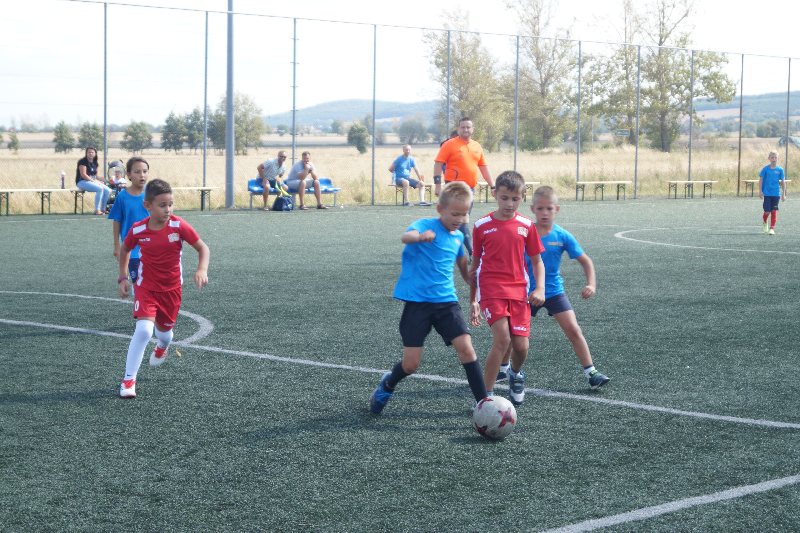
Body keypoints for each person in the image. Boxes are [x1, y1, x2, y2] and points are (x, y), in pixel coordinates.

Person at [369, 181, 489, 414]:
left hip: (447, 304)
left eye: (464, 214)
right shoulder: (425, 226)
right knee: (411, 364)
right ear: (440, 209)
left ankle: (483, 402)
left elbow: (463, 265)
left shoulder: (457, 238)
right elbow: (406, 236)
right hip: (418, 305)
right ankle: (388, 383)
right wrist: (420, 238)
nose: (460, 219)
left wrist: (472, 282)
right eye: (455, 213)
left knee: (467, 349)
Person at [496, 185, 610, 390]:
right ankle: (503, 369)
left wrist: (591, 284)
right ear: (532, 209)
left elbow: (586, 261)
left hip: (554, 291)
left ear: (556, 209)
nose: (545, 213)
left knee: (574, 330)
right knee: (514, 335)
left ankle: (591, 372)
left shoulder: (562, 235)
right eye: (540, 208)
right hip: (525, 293)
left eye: (549, 208)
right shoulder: (523, 232)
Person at [117, 178, 210, 399]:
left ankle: (162, 346)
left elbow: (203, 248)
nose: (168, 209)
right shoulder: (139, 229)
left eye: (170, 204)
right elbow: (125, 250)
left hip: (171, 290)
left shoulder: (178, 226)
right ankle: (129, 379)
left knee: (165, 334)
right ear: (148, 206)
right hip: (146, 287)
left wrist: (202, 269)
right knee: (143, 330)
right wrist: (122, 277)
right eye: (162, 205)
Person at [469, 171, 545, 406]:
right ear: (495, 194)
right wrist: (473, 300)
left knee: (521, 346)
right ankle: (485, 396)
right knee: (502, 339)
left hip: (519, 291)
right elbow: (475, 266)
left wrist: (540, 288)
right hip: (491, 289)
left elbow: (537, 261)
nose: (510, 204)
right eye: (504, 198)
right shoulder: (481, 226)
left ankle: (515, 373)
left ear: (522, 197)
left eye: (515, 199)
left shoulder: (526, 225)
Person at [433, 118, 495, 255]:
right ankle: (473, 252)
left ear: (472, 129)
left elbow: (484, 168)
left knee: (458, 222)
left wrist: (492, 186)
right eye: (463, 127)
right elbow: (438, 164)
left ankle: (453, 250)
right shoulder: (449, 144)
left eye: (468, 127)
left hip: (470, 190)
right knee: (461, 221)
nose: (466, 129)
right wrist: (437, 185)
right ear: (458, 129)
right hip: (453, 189)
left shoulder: (477, 146)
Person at [108, 157, 150, 291]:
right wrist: (117, 246)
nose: (142, 175)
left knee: (152, 284)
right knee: (138, 286)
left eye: (145, 171)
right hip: (132, 251)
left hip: (151, 248)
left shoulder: (152, 195)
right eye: (137, 172)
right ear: (129, 175)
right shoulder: (122, 197)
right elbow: (117, 220)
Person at [75, 146, 112, 215]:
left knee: (108, 190)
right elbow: (83, 175)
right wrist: (94, 181)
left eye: (92, 152)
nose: (90, 153)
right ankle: (97, 210)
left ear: (95, 153)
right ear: (86, 153)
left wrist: (107, 180)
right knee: (100, 189)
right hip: (81, 182)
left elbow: (96, 176)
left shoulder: (95, 163)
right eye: (89, 152)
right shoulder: (82, 161)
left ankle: (103, 209)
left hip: (91, 181)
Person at [758, 151, 787, 235]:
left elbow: (783, 182)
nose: (774, 159)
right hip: (767, 194)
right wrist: (760, 191)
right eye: (772, 157)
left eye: (775, 157)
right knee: (767, 212)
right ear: (769, 158)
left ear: (777, 158)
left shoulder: (780, 170)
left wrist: (783, 194)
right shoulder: (765, 169)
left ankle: (772, 228)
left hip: (776, 194)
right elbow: (761, 180)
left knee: (774, 211)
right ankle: (765, 222)